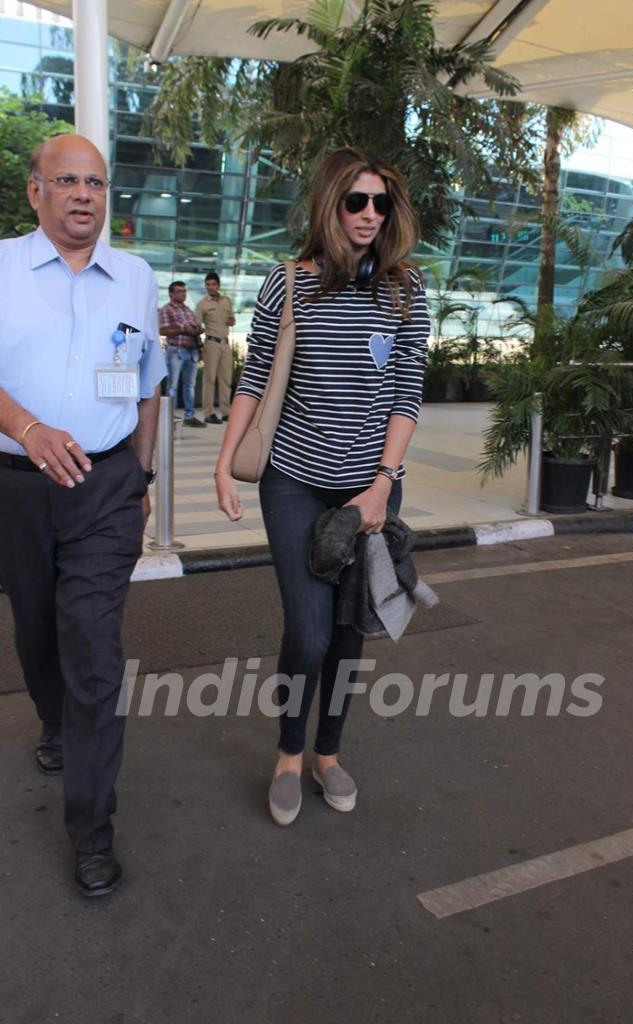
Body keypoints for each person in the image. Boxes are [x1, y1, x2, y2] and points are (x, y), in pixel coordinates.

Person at [214, 147, 430, 826]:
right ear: (330, 204)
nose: (369, 215)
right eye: (355, 201)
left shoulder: (406, 290)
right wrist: (224, 465)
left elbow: (407, 393)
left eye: (380, 203)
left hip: (370, 488)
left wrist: (381, 486)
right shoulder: (289, 283)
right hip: (294, 482)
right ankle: (287, 751)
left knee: (348, 632)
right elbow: (253, 381)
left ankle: (327, 755)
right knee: (307, 633)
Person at [0, 134, 165, 897]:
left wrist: (143, 471)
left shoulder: (134, 277)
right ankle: (54, 723)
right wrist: (29, 429)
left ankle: (91, 832)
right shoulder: (1, 268)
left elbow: (148, 383)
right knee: (37, 632)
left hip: (104, 490)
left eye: (95, 182)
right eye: (65, 180)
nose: (82, 194)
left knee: (94, 651)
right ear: (35, 192)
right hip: (19, 486)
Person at [159, 280, 205, 427]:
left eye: (184, 291)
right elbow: (163, 330)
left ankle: (189, 416)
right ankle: (169, 417)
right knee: (172, 385)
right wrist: (183, 329)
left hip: (191, 350)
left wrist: (200, 347)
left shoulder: (188, 310)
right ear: (171, 293)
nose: (183, 294)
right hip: (176, 350)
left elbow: (194, 330)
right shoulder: (167, 310)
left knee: (190, 385)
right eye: (179, 291)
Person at [195, 271, 235, 424]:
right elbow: (197, 325)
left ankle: (226, 412)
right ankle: (208, 412)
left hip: (225, 342)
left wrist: (231, 321)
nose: (210, 287)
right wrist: (199, 346)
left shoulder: (226, 301)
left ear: (218, 285)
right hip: (211, 342)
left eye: (212, 284)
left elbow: (232, 319)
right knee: (209, 379)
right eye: (207, 284)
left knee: (226, 379)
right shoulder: (202, 304)